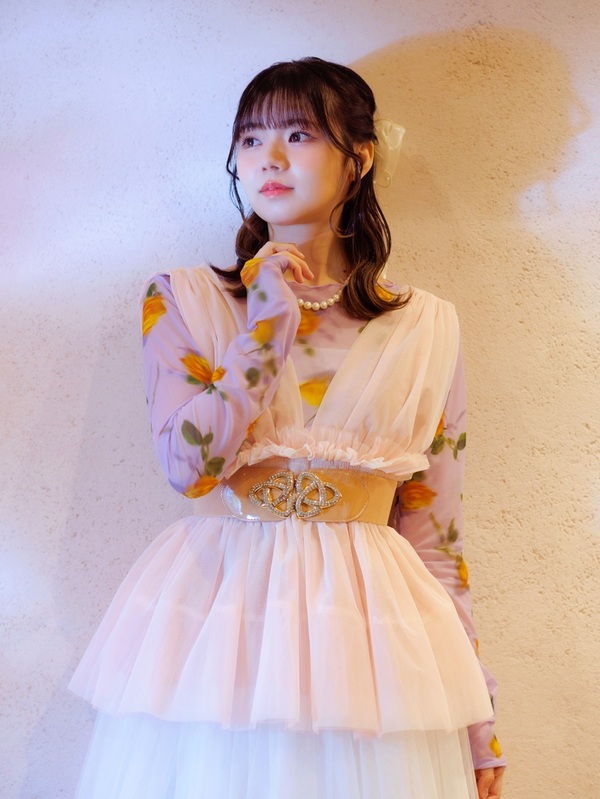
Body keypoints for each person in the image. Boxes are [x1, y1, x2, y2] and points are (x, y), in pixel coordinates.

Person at [70, 56, 506, 798]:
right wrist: (267, 322)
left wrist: (478, 717)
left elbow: (437, 537)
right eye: (249, 139)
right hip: (227, 633)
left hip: (373, 645)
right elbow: (188, 468)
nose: (268, 158)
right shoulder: (182, 299)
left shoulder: (427, 326)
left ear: (358, 158)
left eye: (298, 134)